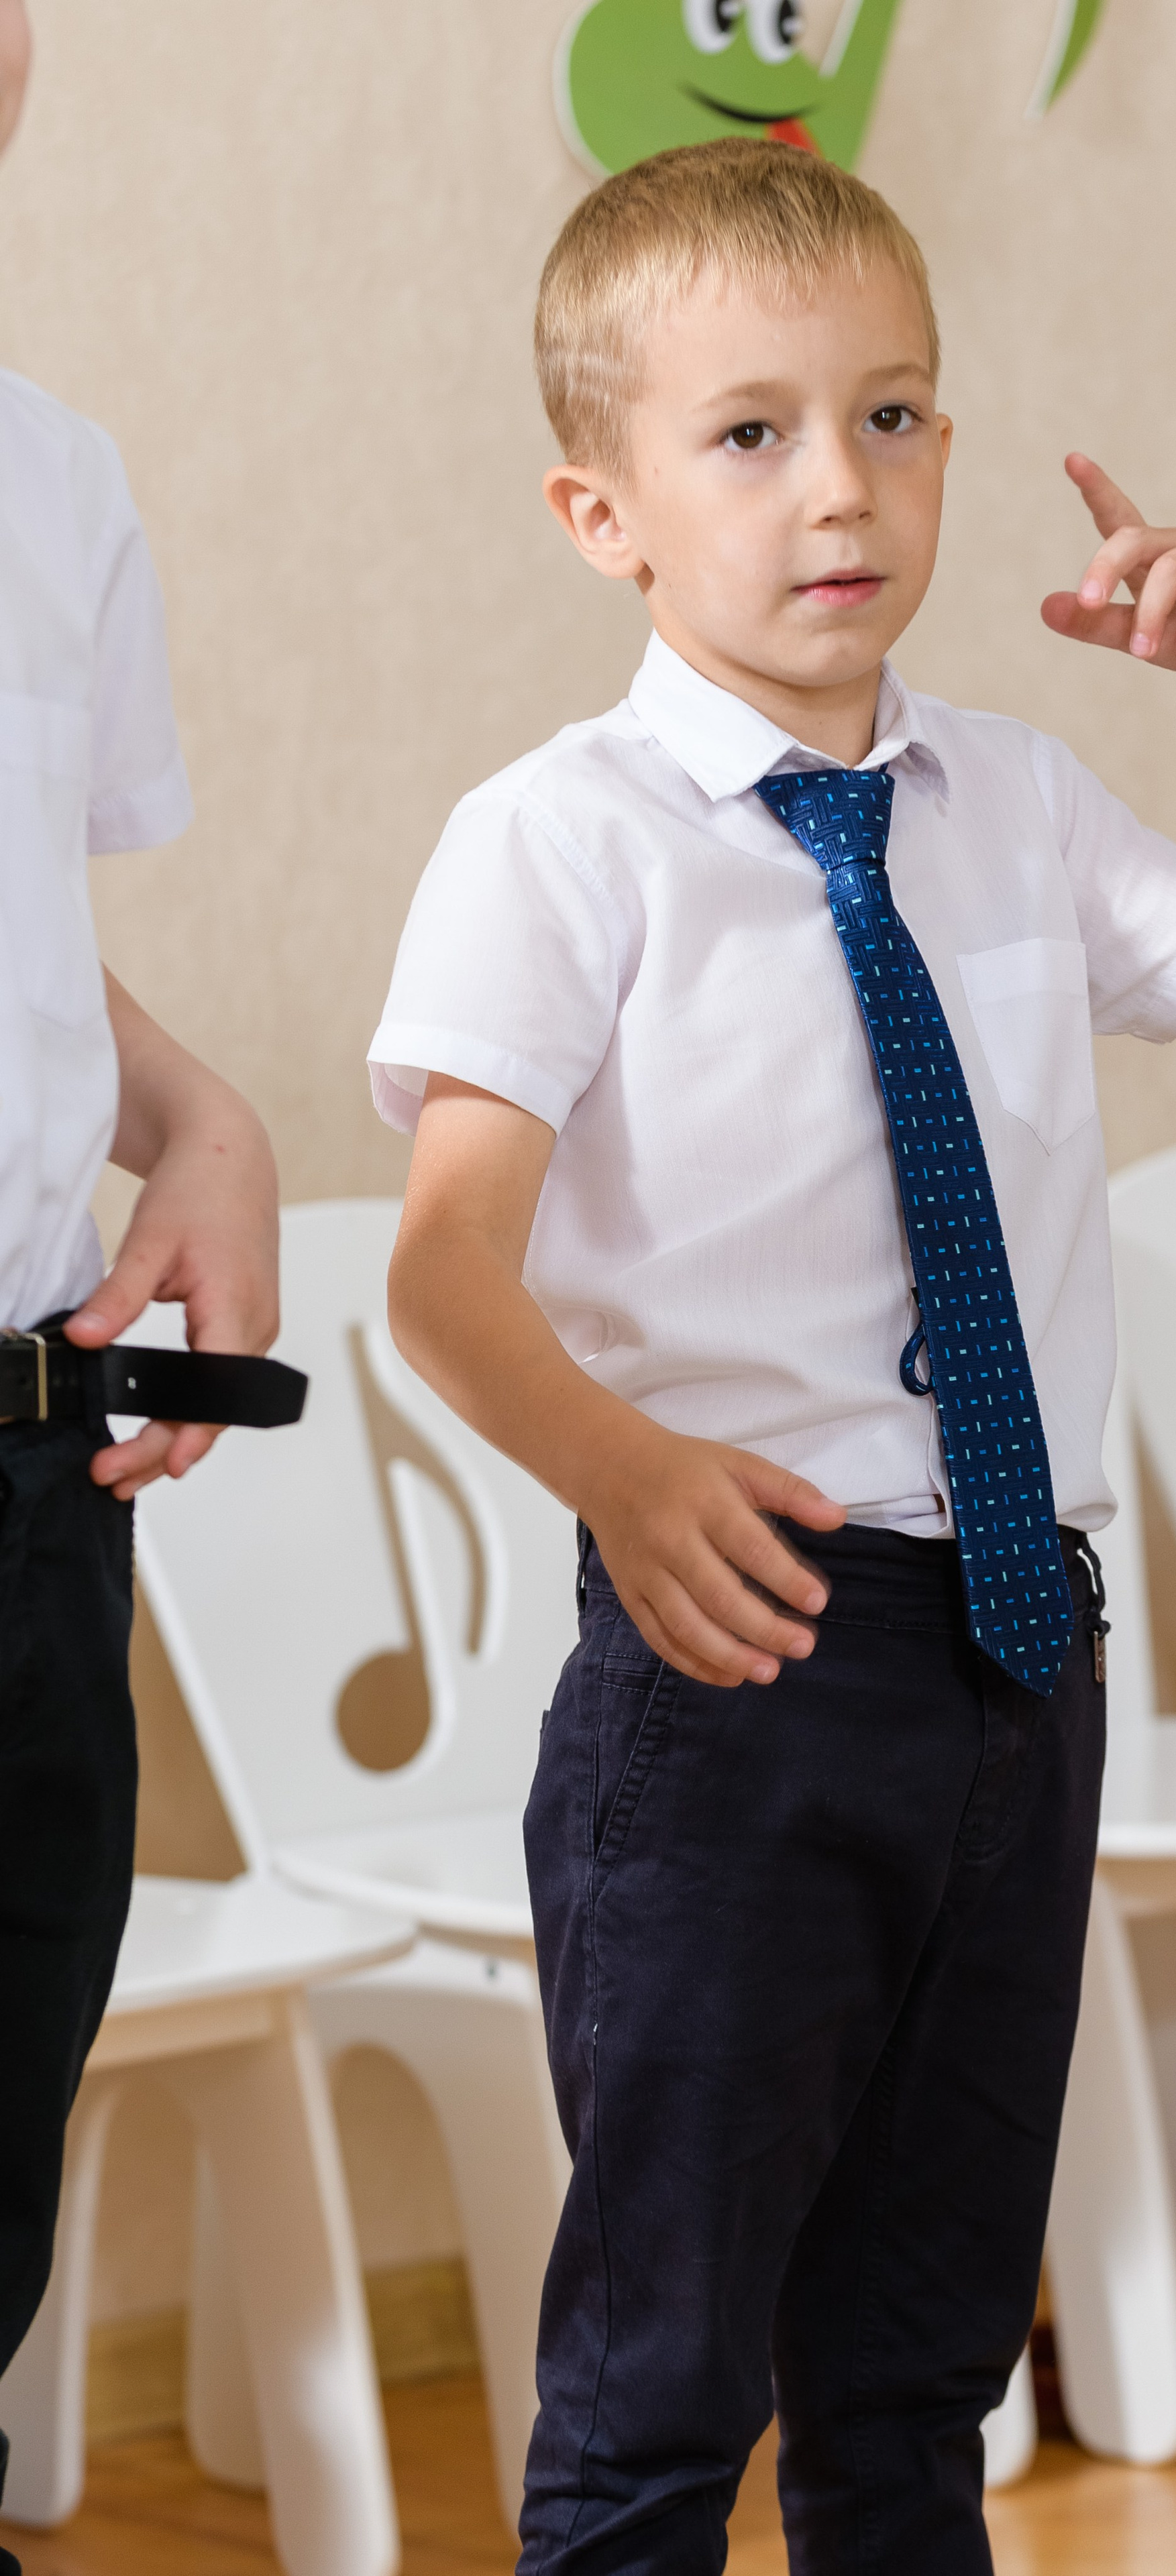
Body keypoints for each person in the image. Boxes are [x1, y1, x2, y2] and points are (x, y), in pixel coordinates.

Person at [372, 139, 1176, 2575]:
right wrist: (625, 1472)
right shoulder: (561, 841)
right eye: (747, 433)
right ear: (601, 510)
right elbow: (446, 1269)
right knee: (663, 2392)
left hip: (1017, 1641)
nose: (837, 485)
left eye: (895, 414)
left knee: (922, 2369)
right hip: (734, 1643)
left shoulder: (1020, 805)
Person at [0, 5, 280, 2551]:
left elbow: (21, 933)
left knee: (3, 2071)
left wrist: (194, 1110)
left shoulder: (54, 473)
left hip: (15, 1446)